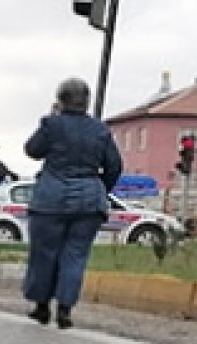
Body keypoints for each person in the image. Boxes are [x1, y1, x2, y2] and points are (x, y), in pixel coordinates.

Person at [21, 78, 122, 329]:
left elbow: (32, 150)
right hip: (88, 202)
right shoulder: (101, 130)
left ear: (61, 100)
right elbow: (115, 166)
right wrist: (100, 188)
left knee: (44, 254)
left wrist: (50, 116)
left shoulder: (51, 125)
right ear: (86, 102)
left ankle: (42, 306)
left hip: (50, 201)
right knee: (75, 255)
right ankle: (65, 310)